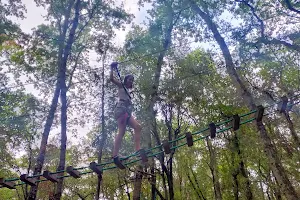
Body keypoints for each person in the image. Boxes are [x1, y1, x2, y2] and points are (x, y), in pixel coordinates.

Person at [109, 62, 142, 161]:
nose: (131, 81)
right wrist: (112, 68)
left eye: (132, 80)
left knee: (138, 127)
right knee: (121, 132)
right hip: (121, 110)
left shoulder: (128, 91)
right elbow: (111, 79)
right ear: (125, 80)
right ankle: (115, 155)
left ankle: (138, 150)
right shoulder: (121, 86)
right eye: (129, 79)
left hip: (127, 112)